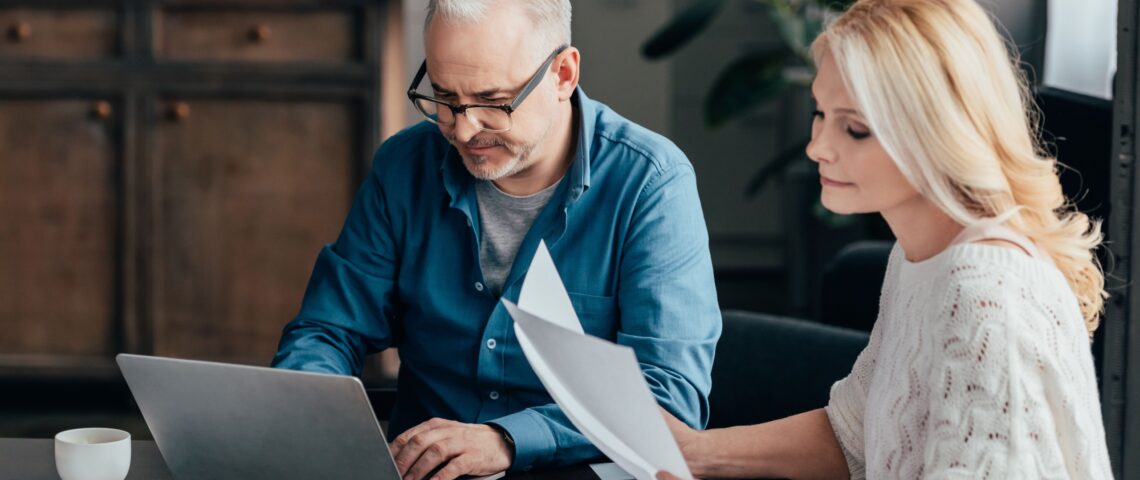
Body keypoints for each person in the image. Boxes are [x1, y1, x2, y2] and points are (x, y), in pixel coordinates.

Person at [659, 0, 1113, 478]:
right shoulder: (920, 254)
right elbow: (852, 435)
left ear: (936, 133)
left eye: (855, 129)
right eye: (820, 113)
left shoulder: (984, 301)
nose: (818, 146)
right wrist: (695, 453)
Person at [271, 0, 722, 478]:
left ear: (563, 75)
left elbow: (669, 399)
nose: (463, 129)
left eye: (491, 100)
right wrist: (304, 415)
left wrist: (509, 440)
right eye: (444, 97)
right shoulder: (402, 167)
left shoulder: (650, 184)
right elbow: (328, 330)